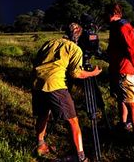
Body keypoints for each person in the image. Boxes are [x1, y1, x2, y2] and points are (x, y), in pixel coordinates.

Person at [32, 23, 102, 162]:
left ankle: (40, 145)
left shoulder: (49, 42)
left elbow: (36, 61)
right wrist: (93, 73)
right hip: (55, 85)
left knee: (43, 114)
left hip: (37, 83)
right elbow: (76, 73)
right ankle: (80, 157)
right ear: (78, 37)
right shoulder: (75, 49)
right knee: (73, 121)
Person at [105, 3, 134, 141]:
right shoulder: (115, 27)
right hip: (117, 68)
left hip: (124, 69)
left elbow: (132, 49)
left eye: (106, 14)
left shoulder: (123, 26)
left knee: (131, 101)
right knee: (121, 98)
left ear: (113, 14)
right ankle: (123, 124)